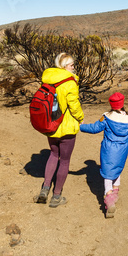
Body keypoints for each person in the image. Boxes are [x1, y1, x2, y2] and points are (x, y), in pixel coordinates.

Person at [37, 52, 83, 208]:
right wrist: (81, 118)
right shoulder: (70, 82)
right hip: (67, 127)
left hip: (51, 125)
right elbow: (74, 105)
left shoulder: (48, 79)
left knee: (53, 154)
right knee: (64, 160)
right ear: (64, 66)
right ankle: (56, 196)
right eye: (71, 65)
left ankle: (44, 189)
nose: (73, 67)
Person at [79, 92, 128, 218]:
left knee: (107, 173)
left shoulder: (107, 118)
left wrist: (81, 127)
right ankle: (115, 193)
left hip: (108, 149)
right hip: (122, 149)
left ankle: (109, 199)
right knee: (117, 169)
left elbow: (94, 128)